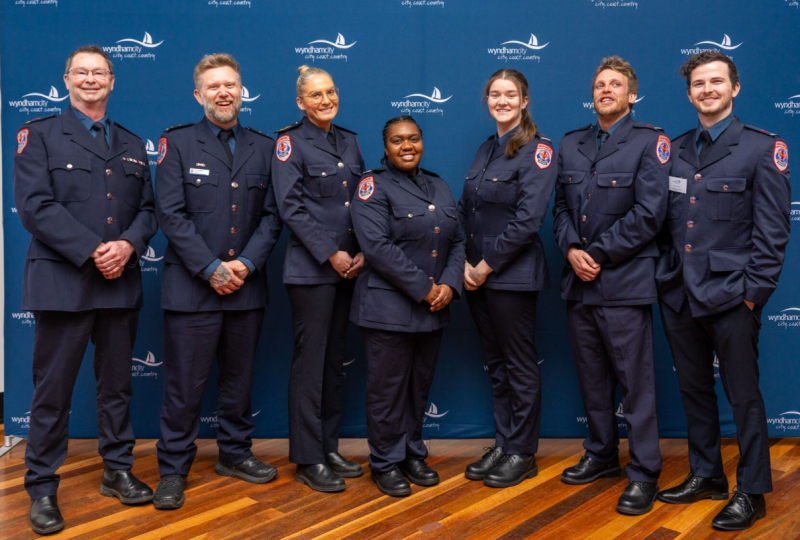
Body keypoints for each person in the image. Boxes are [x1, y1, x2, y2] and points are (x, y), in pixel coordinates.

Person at [13, 45, 158, 535]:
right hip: (63, 279)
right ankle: (41, 486)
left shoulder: (135, 143)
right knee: (52, 391)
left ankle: (117, 470)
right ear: (66, 79)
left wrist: (128, 246)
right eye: (82, 72)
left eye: (100, 72)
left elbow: (150, 210)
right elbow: (34, 205)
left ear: (112, 81)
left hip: (119, 282)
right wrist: (97, 249)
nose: (91, 79)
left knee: (117, 386)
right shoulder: (39, 135)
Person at [655, 51, 791, 531]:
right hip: (680, 295)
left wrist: (752, 295)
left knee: (744, 397)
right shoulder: (674, 148)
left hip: (733, 295)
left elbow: (773, 233)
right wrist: (666, 278)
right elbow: (667, 224)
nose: (707, 89)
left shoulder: (760, 148)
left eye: (716, 81)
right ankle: (706, 475)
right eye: (698, 83)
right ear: (689, 92)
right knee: (694, 391)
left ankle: (751, 491)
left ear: (735, 88)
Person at [153, 53, 282, 509]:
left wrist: (245, 263)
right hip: (192, 288)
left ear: (241, 91)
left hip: (246, 286)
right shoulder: (177, 143)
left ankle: (235, 454)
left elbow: (272, 216)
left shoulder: (265, 147)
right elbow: (170, 213)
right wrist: (210, 268)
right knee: (184, 386)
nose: (223, 92)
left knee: (239, 380)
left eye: (230, 85)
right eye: (213, 86)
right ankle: (172, 469)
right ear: (198, 94)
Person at [552, 56, 669, 515]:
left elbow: (650, 214)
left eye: (615, 85)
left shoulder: (650, 142)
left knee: (634, 384)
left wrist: (596, 254)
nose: (606, 90)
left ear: (631, 95)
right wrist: (570, 250)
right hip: (578, 282)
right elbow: (560, 207)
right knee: (593, 380)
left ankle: (644, 472)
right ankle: (602, 454)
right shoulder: (571, 142)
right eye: (600, 84)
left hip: (623, 281)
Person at [350, 116, 466, 497]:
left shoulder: (438, 184)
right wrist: (426, 289)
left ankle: (412, 452)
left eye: (413, 139)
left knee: (418, 387)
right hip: (389, 310)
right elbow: (378, 249)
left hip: (432, 309)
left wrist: (449, 283)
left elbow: (458, 240)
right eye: (398, 140)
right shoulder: (373, 187)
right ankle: (384, 462)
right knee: (387, 390)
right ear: (385, 147)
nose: (407, 146)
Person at [458, 69, 557, 488]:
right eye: (494, 94)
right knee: (497, 365)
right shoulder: (485, 150)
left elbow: (528, 220)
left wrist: (485, 265)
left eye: (509, 94)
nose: (501, 101)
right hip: (475, 276)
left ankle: (522, 451)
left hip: (510, 277)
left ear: (525, 101)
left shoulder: (538, 150)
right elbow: (467, 212)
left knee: (518, 365)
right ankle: (504, 440)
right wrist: (463, 260)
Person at [271, 65, 366, 493]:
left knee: (333, 362)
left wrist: (364, 249)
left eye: (329, 92)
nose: (325, 100)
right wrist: (331, 253)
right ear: (300, 103)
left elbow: (364, 201)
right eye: (315, 95)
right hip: (313, 270)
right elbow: (291, 208)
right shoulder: (290, 142)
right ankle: (308, 459)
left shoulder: (349, 139)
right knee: (311, 364)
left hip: (351, 269)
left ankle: (328, 446)